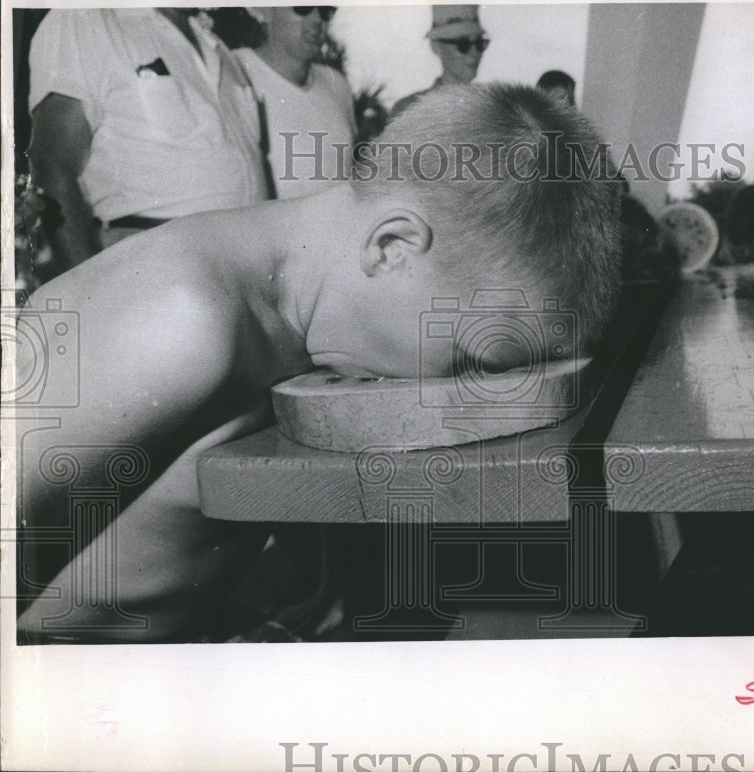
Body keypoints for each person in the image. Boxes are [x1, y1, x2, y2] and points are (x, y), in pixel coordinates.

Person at [16, 82, 624, 642]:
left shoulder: (300, 313)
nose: (451, 391)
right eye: (463, 358)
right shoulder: (182, 316)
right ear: (392, 248)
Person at [27, 8, 268, 272]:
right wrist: (87, 291)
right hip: (153, 273)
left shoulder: (216, 44)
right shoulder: (83, 19)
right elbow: (52, 163)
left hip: (249, 273)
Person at [233, 7, 357, 199]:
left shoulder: (337, 85)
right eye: (302, 8)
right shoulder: (236, 72)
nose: (317, 20)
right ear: (266, 10)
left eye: (324, 11)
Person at [389, 5, 489, 119]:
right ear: (436, 46)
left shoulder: (489, 107)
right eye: (463, 45)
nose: (474, 53)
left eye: (479, 44)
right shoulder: (408, 110)